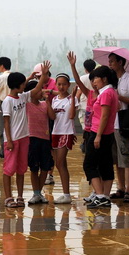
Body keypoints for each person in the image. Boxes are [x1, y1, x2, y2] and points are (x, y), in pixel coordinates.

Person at [0, 62, 49, 208]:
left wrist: (42, 75)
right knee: (8, 169)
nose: (25, 86)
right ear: (19, 85)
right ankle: (8, 197)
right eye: (23, 84)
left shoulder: (22, 97)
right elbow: (6, 123)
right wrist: (8, 140)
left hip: (24, 138)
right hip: (13, 140)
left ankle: (19, 196)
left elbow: (36, 88)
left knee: (21, 169)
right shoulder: (8, 101)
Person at [81, 64, 119, 209]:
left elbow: (104, 116)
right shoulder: (110, 92)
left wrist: (97, 136)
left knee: (89, 164)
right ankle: (104, 196)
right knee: (105, 165)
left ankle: (101, 195)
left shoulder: (106, 93)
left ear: (104, 79)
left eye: (96, 78)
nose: (94, 81)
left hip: (100, 133)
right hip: (106, 134)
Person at [108, 52, 129, 203]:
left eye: (113, 61)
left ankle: (128, 190)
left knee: (126, 157)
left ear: (121, 62)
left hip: (125, 123)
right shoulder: (112, 81)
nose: (110, 64)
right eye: (109, 62)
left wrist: (119, 96)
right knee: (116, 159)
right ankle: (120, 188)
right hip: (112, 123)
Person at [68, 52, 99, 203]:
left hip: (97, 130)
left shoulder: (106, 94)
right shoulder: (92, 92)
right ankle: (97, 192)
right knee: (91, 162)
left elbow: (80, 86)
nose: (94, 83)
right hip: (90, 128)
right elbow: (79, 84)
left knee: (95, 163)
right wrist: (72, 65)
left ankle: (99, 192)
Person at [47, 73, 78, 204]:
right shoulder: (54, 100)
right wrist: (47, 103)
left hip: (66, 132)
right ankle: (66, 194)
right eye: (59, 84)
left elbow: (71, 116)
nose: (61, 87)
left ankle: (66, 194)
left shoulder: (72, 99)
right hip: (55, 132)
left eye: (64, 84)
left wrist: (73, 98)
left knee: (59, 163)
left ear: (68, 85)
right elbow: (53, 117)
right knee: (61, 164)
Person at [25, 79, 52, 205]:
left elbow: (52, 116)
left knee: (45, 168)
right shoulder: (27, 104)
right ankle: (36, 193)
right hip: (32, 139)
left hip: (45, 139)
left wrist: (48, 101)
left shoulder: (44, 104)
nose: (41, 91)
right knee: (34, 168)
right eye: (38, 89)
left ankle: (38, 193)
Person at [0, 56, 12, 158]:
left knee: (3, 128)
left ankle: (3, 150)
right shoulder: (14, 76)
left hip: (3, 102)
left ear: (2, 66)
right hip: (13, 103)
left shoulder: (1, 78)